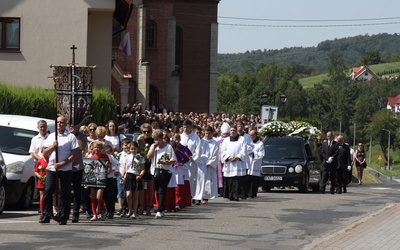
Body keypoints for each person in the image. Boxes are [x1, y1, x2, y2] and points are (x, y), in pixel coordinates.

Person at [40, 116, 80, 225]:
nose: (59, 124)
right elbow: (44, 152)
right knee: (48, 190)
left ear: (65, 123)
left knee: (64, 192)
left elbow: (75, 153)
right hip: (52, 168)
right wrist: (52, 147)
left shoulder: (71, 137)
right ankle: (46, 214)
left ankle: (63, 215)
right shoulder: (51, 136)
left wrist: (64, 163)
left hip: (65, 169)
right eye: (57, 122)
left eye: (62, 122)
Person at [147, 129, 177, 219]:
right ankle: (162, 208)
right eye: (154, 139)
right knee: (157, 190)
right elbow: (149, 156)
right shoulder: (153, 146)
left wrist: (164, 163)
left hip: (166, 171)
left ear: (161, 138)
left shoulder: (168, 147)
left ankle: (159, 210)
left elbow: (173, 160)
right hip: (154, 171)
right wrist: (153, 147)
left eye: (157, 139)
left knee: (162, 189)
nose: (156, 141)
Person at [220, 124, 247, 201]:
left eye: (234, 130)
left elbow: (244, 150)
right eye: (231, 130)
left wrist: (237, 157)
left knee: (238, 180)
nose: (233, 132)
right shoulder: (226, 140)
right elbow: (223, 151)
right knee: (230, 180)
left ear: (236, 131)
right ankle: (230, 195)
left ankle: (237, 195)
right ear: (229, 131)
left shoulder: (242, 139)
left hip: (238, 163)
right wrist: (228, 157)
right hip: (229, 163)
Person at [69, 124, 87, 223]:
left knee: (77, 190)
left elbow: (81, 146)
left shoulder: (82, 136)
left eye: (73, 125)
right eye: (70, 125)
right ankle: (64, 212)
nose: (71, 127)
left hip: (77, 166)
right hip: (66, 166)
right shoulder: (65, 135)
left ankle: (76, 213)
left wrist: (74, 135)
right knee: (64, 190)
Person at [89, 141, 111, 221]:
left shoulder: (105, 156)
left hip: (101, 179)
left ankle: (103, 211)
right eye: (95, 147)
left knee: (99, 197)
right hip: (93, 179)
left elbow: (109, 165)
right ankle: (94, 214)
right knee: (93, 196)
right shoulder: (92, 157)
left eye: (98, 147)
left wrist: (108, 164)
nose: (96, 149)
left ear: (101, 148)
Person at [180, 119, 201, 203]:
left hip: (191, 162)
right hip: (181, 163)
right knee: (182, 180)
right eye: (184, 127)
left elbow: (198, 150)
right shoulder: (180, 137)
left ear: (190, 127)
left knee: (191, 179)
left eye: (187, 127)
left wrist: (192, 158)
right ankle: (182, 198)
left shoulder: (195, 138)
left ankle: (191, 196)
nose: (185, 129)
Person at [123, 142, 145, 219]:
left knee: (135, 195)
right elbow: (125, 167)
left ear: (137, 149)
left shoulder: (140, 157)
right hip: (129, 175)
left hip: (136, 175)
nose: (133, 150)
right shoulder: (127, 157)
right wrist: (123, 176)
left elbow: (143, 169)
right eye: (131, 149)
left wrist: (140, 175)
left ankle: (134, 212)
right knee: (128, 195)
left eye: (134, 149)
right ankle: (129, 210)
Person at [137, 123, 155, 215]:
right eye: (144, 131)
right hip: (142, 165)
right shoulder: (139, 141)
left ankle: (148, 206)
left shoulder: (154, 141)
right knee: (141, 187)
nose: (146, 133)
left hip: (151, 165)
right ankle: (141, 206)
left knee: (150, 188)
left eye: (148, 131)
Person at [192, 126, 210, 205]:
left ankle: (198, 198)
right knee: (193, 180)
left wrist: (198, 157)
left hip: (201, 164)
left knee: (200, 181)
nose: (198, 134)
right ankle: (192, 196)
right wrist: (194, 157)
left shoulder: (205, 142)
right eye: (197, 133)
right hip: (192, 163)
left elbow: (207, 154)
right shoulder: (193, 141)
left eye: (199, 133)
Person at [202, 126, 218, 204]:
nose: (207, 135)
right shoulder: (201, 141)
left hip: (209, 165)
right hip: (201, 164)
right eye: (206, 133)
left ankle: (205, 197)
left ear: (212, 133)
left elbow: (215, 155)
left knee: (208, 181)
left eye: (209, 133)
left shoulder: (214, 143)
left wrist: (209, 163)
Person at [247, 129, 265, 198]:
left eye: (252, 135)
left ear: (255, 135)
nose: (250, 137)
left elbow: (262, 154)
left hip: (255, 164)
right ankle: (247, 193)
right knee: (248, 179)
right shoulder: (247, 143)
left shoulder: (260, 144)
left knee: (254, 180)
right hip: (248, 164)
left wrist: (253, 153)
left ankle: (253, 194)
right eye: (250, 135)